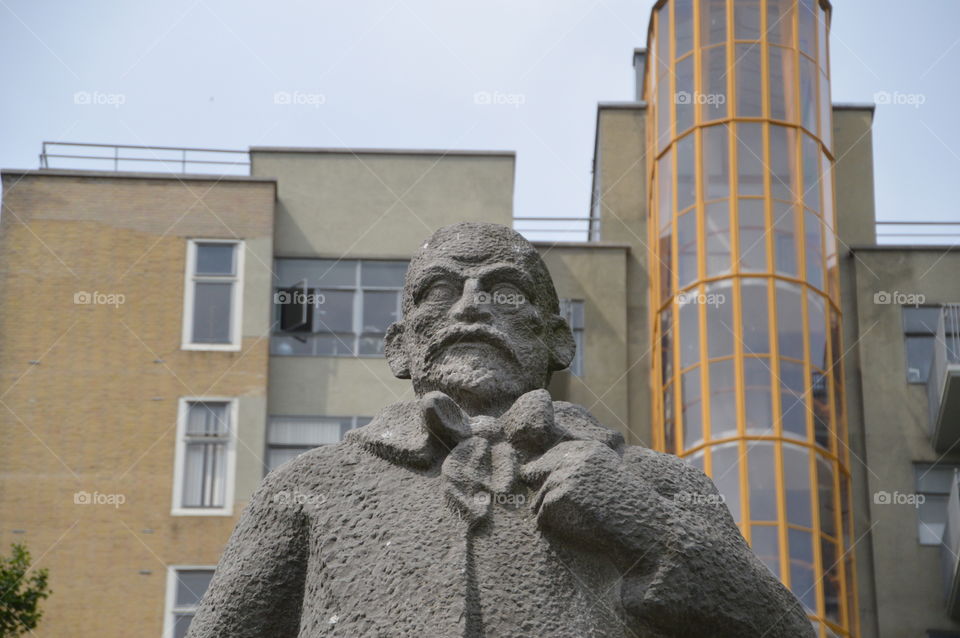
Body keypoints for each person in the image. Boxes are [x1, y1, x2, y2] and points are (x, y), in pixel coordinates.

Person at [187, 222, 814, 637]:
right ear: (400, 347)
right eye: (439, 290)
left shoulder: (656, 484)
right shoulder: (311, 488)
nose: (470, 306)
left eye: (506, 290)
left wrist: (640, 525)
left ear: (557, 341)